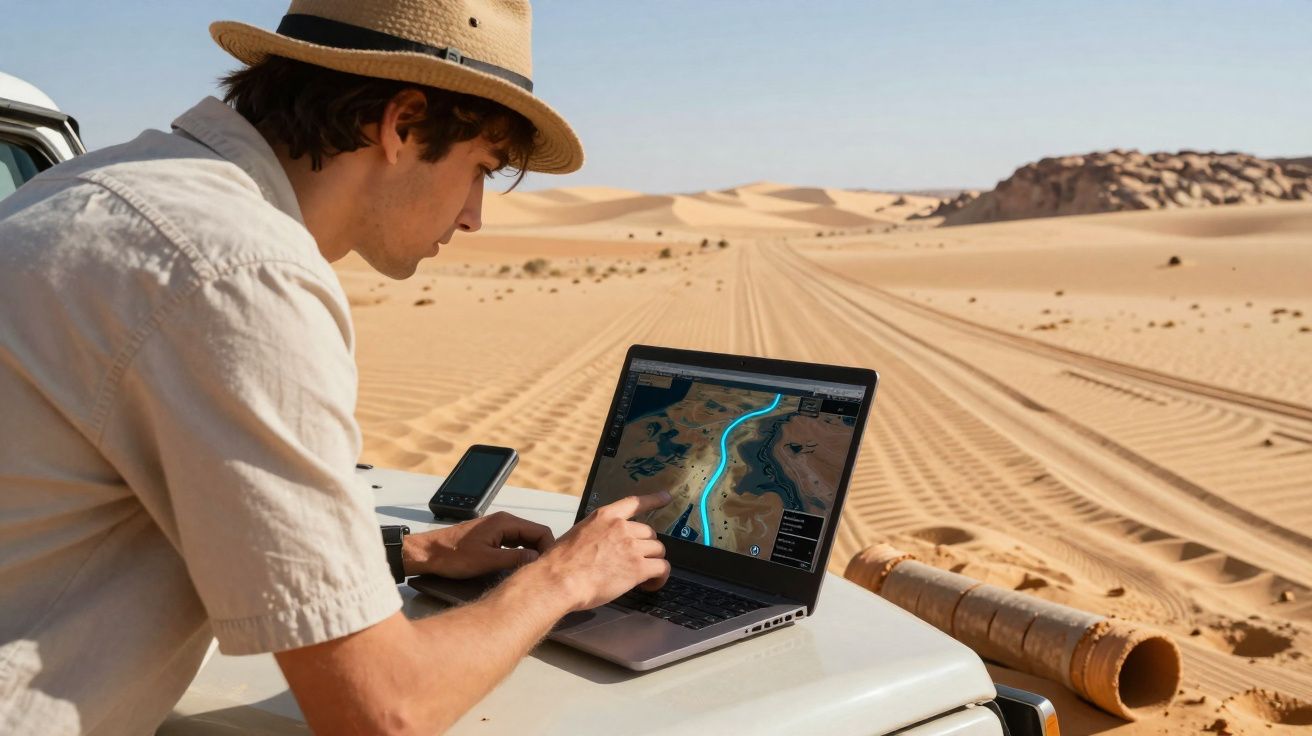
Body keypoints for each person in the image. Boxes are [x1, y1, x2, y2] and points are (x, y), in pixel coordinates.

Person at [0, 1, 671, 733]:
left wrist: (406, 551)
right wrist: (562, 580)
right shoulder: (240, 272)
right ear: (403, 124)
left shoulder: (97, 188)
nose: (476, 215)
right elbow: (382, 710)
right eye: (481, 168)